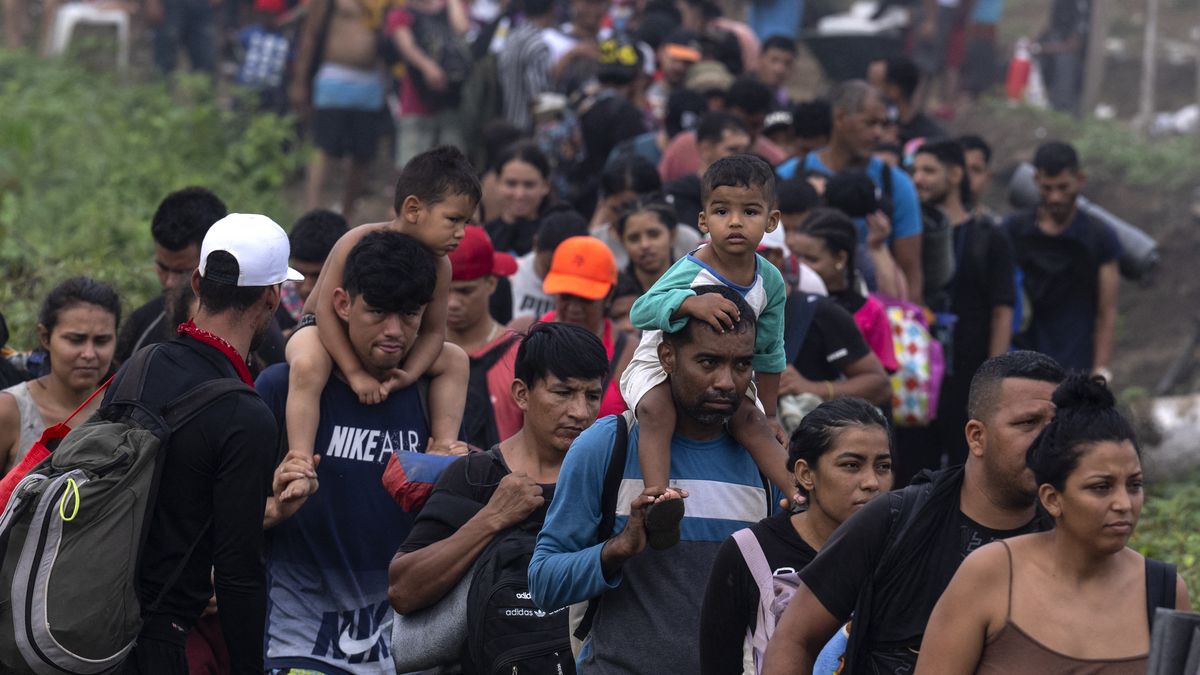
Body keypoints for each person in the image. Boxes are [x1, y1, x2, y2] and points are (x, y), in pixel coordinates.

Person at [760, 351, 1066, 674]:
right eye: (1028, 423)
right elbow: (795, 638)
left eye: (1058, 426)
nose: (1049, 440)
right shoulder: (895, 521)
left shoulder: (1073, 539)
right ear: (977, 436)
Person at [528, 285, 776, 673]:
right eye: (708, 363)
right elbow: (544, 583)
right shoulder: (605, 447)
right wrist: (619, 548)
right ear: (667, 357)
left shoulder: (765, 463)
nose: (727, 382)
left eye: (742, 365)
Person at [114, 213, 299, 675]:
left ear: (196, 281)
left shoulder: (140, 365)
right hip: (166, 642)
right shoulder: (246, 414)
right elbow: (238, 572)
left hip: (100, 629)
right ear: (273, 297)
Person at [916, 374, 1192, 673]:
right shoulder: (991, 574)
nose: (1124, 504)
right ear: (1051, 498)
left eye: (1134, 485)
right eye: (1101, 487)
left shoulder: (1163, 591)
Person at [256, 230, 441, 674]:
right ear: (343, 304)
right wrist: (275, 510)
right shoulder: (284, 388)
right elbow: (223, 514)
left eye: (409, 314)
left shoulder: (434, 394)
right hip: (297, 635)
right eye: (377, 312)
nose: (394, 331)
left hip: (401, 643)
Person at [386, 322, 609, 637]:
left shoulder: (608, 481)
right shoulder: (475, 476)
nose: (580, 412)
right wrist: (492, 518)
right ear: (521, 394)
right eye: (563, 392)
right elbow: (403, 590)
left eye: (592, 396)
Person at [279, 145, 476, 502]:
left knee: (455, 359)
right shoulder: (357, 240)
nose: (461, 233)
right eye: (453, 220)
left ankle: (444, 445)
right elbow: (325, 311)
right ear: (414, 208)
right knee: (310, 363)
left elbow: (432, 331)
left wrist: (410, 373)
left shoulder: (440, 266)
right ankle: (301, 457)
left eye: (466, 222)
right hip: (321, 330)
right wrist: (355, 373)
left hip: (396, 341)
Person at [626, 154, 795, 548]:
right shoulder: (691, 268)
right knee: (656, 409)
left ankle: (799, 495)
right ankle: (659, 500)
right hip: (660, 361)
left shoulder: (769, 281)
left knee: (750, 423)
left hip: (728, 371)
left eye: (750, 211)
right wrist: (687, 303)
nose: (735, 222)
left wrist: (770, 413)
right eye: (722, 211)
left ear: (771, 221)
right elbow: (640, 311)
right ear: (704, 221)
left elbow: (770, 352)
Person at [700, 398, 895, 674]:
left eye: (883, 466)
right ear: (805, 474)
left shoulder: (905, 551)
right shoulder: (749, 551)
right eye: (851, 465)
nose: (872, 482)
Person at [911, 139, 1015, 468]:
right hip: (918, 375)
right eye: (914, 170)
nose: (918, 179)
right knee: (915, 468)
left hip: (968, 373)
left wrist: (993, 377)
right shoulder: (912, 234)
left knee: (967, 465)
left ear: (955, 174)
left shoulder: (989, 235)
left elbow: (1003, 309)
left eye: (929, 170)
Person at [777, 81, 925, 303]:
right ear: (840, 118)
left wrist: (907, 321)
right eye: (870, 123)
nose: (878, 133)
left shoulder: (897, 184)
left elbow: (910, 269)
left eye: (883, 125)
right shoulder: (790, 175)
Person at [1003, 141, 1119, 376]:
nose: (1055, 197)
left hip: (1076, 364)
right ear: (1036, 181)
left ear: (1080, 179)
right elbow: (1000, 302)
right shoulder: (1013, 231)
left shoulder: (1099, 236)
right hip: (1023, 360)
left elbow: (1107, 310)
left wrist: (1101, 370)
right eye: (1047, 188)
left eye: (1063, 187)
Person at [0, 277, 119, 472]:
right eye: (75, 340)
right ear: (45, 337)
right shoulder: (10, 411)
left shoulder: (124, 411)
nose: (89, 354)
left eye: (101, 341)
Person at [511, 235, 636, 419]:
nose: (574, 307)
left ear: (609, 296)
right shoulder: (523, 333)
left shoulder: (628, 353)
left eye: (586, 299)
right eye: (566, 296)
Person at [291, 0, 392, 220]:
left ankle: (347, 215)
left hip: (371, 82)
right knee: (322, 146)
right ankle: (311, 212)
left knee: (363, 153)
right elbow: (310, 33)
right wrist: (300, 80)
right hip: (333, 77)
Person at [787, 208, 899, 374]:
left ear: (840, 258)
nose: (802, 267)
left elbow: (880, 381)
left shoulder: (871, 312)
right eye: (796, 257)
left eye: (812, 259)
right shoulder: (788, 299)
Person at [446, 225, 524, 450]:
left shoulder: (520, 355)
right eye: (445, 289)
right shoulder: (419, 351)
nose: (452, 302)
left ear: (491, 283)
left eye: (465, 291)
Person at [387, 0, 470, 166]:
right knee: (413, 162)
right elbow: (406, 46)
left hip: (451, 97)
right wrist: (428, 68)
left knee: (452, 164)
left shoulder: (448, 6)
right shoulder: (401, 13)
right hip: (417, 98)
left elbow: (462, 28)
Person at [658, 77, 787, 183]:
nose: (745, 132)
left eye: (754, 125)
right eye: (737, 124)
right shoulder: (684, 145)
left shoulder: (774, 159)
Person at [663, 111, 752, 228]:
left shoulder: (753, 195)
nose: (742, 157)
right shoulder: (677, 198)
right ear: (706, 149)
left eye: (746, 150)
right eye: (733, 150)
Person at [610, 197, 680, 332]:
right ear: (622, 242)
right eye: (634, 238)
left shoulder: (695, 282)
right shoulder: (614, 292)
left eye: (654, 234)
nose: (645, 245)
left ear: (672, 235)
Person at [278, 209, 349, 336]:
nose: (306, 288)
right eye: (299, 274)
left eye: (317, 276)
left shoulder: (358, 312)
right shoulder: (271, 308)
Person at [510, 210, 591, 321]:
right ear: (535, 244)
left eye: (565, 271)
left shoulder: (591, 286)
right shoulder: (511, 277)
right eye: (549, 268)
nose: (555, 280)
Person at [485, 142, 557, 257]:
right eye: (511, 184)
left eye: (529, 185)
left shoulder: (557, 237)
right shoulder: (484, 237)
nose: (519, 194)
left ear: (545, 186)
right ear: (498, 184)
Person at [497, 0, 556, 131]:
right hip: (528, 129)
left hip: (508, 122)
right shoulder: (537, 45)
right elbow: (539, 96)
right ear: (553, 9)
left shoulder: (511, 37)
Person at [870, 55, 946, 145]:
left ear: (894, 90)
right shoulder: (867, 130)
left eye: (874, 85)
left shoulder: (932, 139)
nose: (867, 91)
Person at [147, 0, 218, 74]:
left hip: (201, 5)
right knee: (165, 59)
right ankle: (162, 82)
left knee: (206, 59)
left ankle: (201, 83)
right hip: (169, 6)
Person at [755, 35, 798, 109]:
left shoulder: (787, 103)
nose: (780, 69)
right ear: (760, 59)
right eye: (774, 60)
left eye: (787, 63)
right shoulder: (744, 95)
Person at [958, 134, 996, 219]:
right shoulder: (928, 219)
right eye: (962, 168)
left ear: (988, 176)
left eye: (976, 170)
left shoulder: (993, 227)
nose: (967, 176)